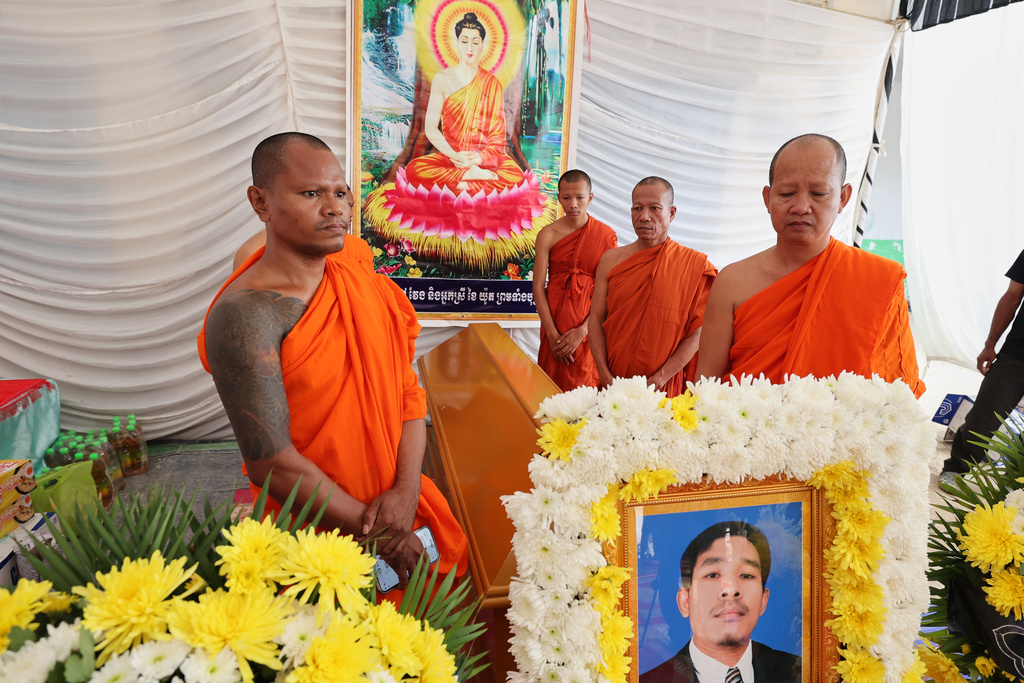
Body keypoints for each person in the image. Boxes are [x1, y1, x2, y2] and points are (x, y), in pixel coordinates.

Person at [197, 132, 467, 598]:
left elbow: (408, 395)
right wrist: (381, 532)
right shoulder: (247, 315)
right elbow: (273, 466)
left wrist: (404, 496)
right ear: (260, 202)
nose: (335, 208)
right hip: (318, 541)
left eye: (340, 192)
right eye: (310, 193)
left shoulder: (360, 279)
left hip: (398, 510)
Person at [696, 134, 925, 398]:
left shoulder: (879, 280)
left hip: (838, 437)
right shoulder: (732, 282)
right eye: (786, 193)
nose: (801, 207)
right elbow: (706, 389)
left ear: (843, 198)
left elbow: (896, 394)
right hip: (744, 433)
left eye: (818, 194)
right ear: (767, 199)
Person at [589, 177, 717, 397]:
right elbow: (596, 319)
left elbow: (699, 332)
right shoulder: (611, 260)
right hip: (613, 383)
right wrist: (603, 373)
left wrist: (662, 377)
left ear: (672, 213)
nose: (644, 216)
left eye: (654, 208)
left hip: (663, 387)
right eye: (637, 208)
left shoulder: (693, 265)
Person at [641, 522, 801, 683]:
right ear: (685, 602)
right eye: (712, 575)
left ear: (763, 600)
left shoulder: (799, 671)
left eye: (746, 575)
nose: (731, 589)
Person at [941, 251, 1024, 478]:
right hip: (1017, 355)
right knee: (983, 418)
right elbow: (1012, 298)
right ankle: (957, 468)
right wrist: (990, 344)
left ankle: (1016, 487)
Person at [533, 170, 617, 391]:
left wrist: (583, 331)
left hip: (590, 323)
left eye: (580, 197)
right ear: (559, 197)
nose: (573, 204)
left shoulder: (605, 235)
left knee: (586, 386)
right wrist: (552, 335)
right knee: (551, 388)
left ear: (590, 198)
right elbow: (537, 287)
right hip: (555, 321)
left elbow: (609, 290)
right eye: (567, 198)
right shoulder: (547, 234)